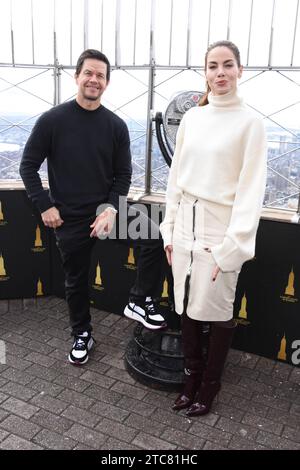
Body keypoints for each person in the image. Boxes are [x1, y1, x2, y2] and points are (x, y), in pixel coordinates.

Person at [20, 49, 167, 366]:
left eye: (100, 75)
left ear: (107, 83)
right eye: (89, 72)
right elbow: (28, 167)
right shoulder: (52, 120)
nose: (94, 79)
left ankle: (139, 300)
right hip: (69, 217)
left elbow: (123, 175)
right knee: (76, 281)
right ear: (77, 76)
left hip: (107, 211)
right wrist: (45, 206)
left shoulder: (115, 126)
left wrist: (111, 210)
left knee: (153, 235)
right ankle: (82, 334)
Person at [160, 40, 267, 416]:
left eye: (227, 65)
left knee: (218, 308)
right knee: (186, 302)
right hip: (185, 224)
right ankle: (189, 378)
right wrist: (169, 229)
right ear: (204, 73)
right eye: (212, 66)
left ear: (240, 70)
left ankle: (209, 386)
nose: (220, 72)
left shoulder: (251, 123)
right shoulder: (192, 118)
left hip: (220, 227)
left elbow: (251, 190)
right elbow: (176, 179)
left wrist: (232, 247)